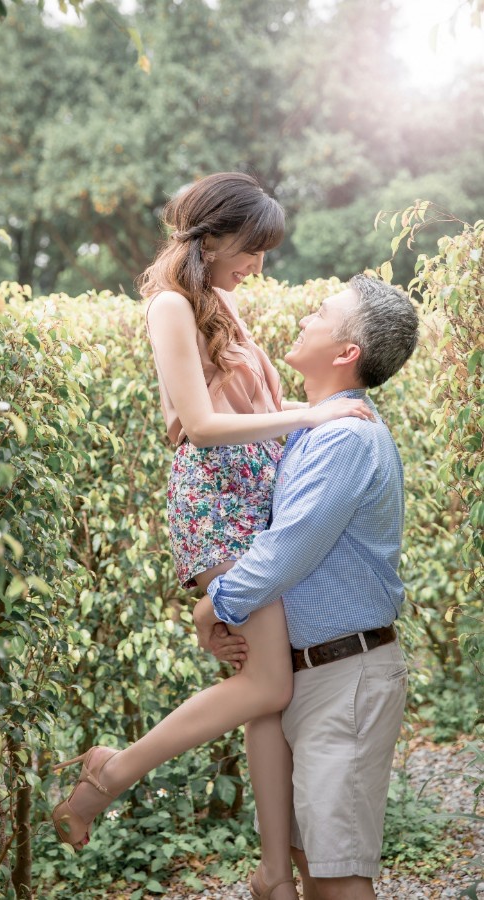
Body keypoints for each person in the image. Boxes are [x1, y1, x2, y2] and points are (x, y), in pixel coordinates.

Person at [51, 172, 373, 900]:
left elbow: (255, 402)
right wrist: (309, 418)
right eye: (252, 250)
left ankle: (271, 875)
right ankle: (112, 772)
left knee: (261, 690)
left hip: (259, 497)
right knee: (268, 680)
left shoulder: (221, 300)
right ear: (216, 235)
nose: (258, 266)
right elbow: (196, 425)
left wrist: (323, 410)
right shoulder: (169, 304)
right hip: (217, 504)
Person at [193, 274, 419, 900]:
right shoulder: (317, 429)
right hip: (308, 674)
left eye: (321, 312)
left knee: (338, 878)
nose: (305, 316)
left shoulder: (346, 437)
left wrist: (213, 606)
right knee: (309, 865)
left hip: (344, 676)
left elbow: (287, 546)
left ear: (347, 352)